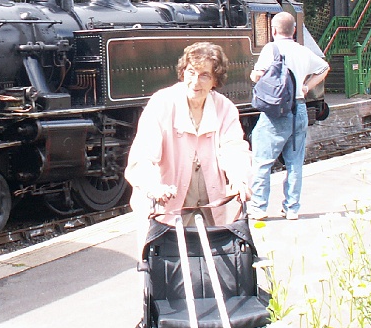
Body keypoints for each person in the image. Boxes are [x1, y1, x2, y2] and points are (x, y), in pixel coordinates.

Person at [125, 42, 252, 246]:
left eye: (204, 75)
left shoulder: (224, 108)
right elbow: (143, 155)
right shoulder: (161, 104)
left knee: (215, 264)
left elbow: (234, 148)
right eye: (191, 72)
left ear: (215, 81)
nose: (195, 82)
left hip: (211, 204)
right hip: (165, 209)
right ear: (183, 72)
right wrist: (153, 186)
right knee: (167, 268)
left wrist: (239, 179)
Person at [248, 12, 329, 221]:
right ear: (294, 30)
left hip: (276, 112)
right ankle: (292, 208)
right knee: (294, 162)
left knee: (262, 161)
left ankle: (259, 207)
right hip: (299, 108)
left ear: (273, 30)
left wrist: (256, 76)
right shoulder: (303, 51)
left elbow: (258, 75)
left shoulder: (271, 49)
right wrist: (306, 86)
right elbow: (324, 67)